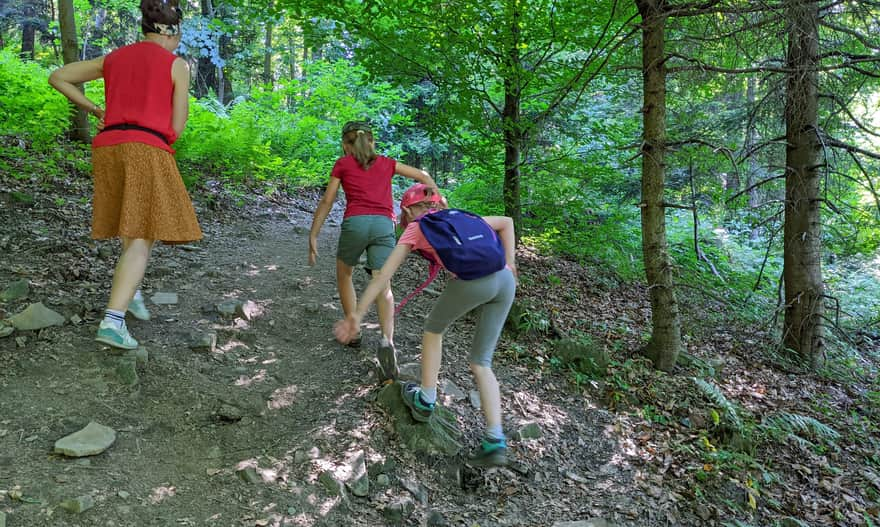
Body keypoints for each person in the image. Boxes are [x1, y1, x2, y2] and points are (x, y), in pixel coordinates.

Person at [49, 0, 200, 350]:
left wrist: (96, 109)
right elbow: (177, 125)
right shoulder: (176, 64)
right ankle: (113, 321)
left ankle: (129, 293)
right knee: (142, 234)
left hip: (107, 145)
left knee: (131, 226)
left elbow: (58, 77)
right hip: (145, 146)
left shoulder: (114, 58)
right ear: (172, 33)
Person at [333, 184, 517, 467]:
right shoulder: (463, 216)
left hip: (474, 283)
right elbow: (507, 223)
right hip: (505, 281)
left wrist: (356, 314)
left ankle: (426, 399)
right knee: (482, 362)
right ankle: (495, 439)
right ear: (441, 203)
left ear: (407, 211)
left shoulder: (418, 226)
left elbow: (382, 277)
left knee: (433, 329)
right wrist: (512, 264)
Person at [309, 121, 437, 375]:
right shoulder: (387, 163)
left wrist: (313, 234)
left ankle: (353, 330)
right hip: (383, 226)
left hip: (355, 224)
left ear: (346, 145)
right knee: (383, 283)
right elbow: (423, 177)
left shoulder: (342, 164)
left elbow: (328, 199)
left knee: (345, 273)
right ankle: (387, 341)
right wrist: (438, 201)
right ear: (372, 142)